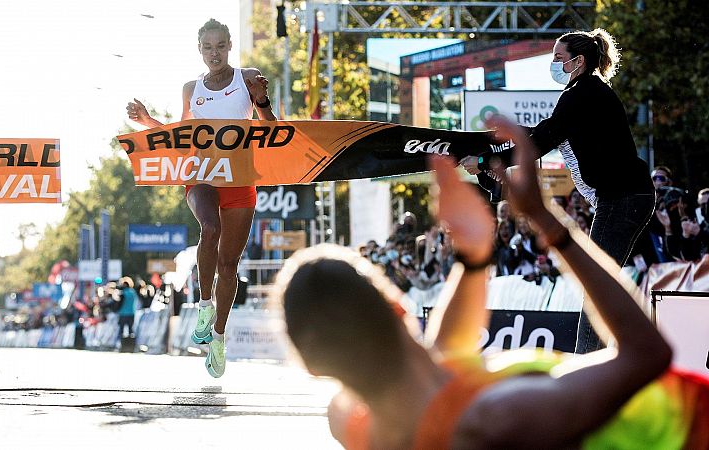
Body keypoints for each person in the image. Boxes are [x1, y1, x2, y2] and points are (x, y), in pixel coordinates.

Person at [274, 117, 708, 449]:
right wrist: (547, 221)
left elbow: (447, 354)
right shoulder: (502, 415)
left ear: (314, 366)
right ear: (398, 306)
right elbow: (647, 353)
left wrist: (474, 258)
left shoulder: (355, 423)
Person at [460, 28, 655, 353]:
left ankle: (589, 362)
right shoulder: (586, 93)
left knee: (595, 286)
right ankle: (604, 356)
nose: (552, 64)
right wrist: (495, 144)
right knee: (599, 284)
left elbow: (539, 142)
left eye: (558, 58)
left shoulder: (581, 94)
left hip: (623, 199)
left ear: (578, 61)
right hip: (627, 197)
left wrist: (484, 159)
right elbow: (541, 133)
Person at [126, 18, 276, 377]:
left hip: (239, 179)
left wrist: (262, 101)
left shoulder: (248, 76)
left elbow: (272, 130)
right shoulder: (191, 88)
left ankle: (219, 337)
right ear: (200, 50)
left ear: (229, 46)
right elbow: (181, 136)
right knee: (209, 228)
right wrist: (147, 121)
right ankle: (204, 303)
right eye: (207, 47)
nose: (214, 53)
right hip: (202, 176)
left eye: (220, 46)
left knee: (229, 267)